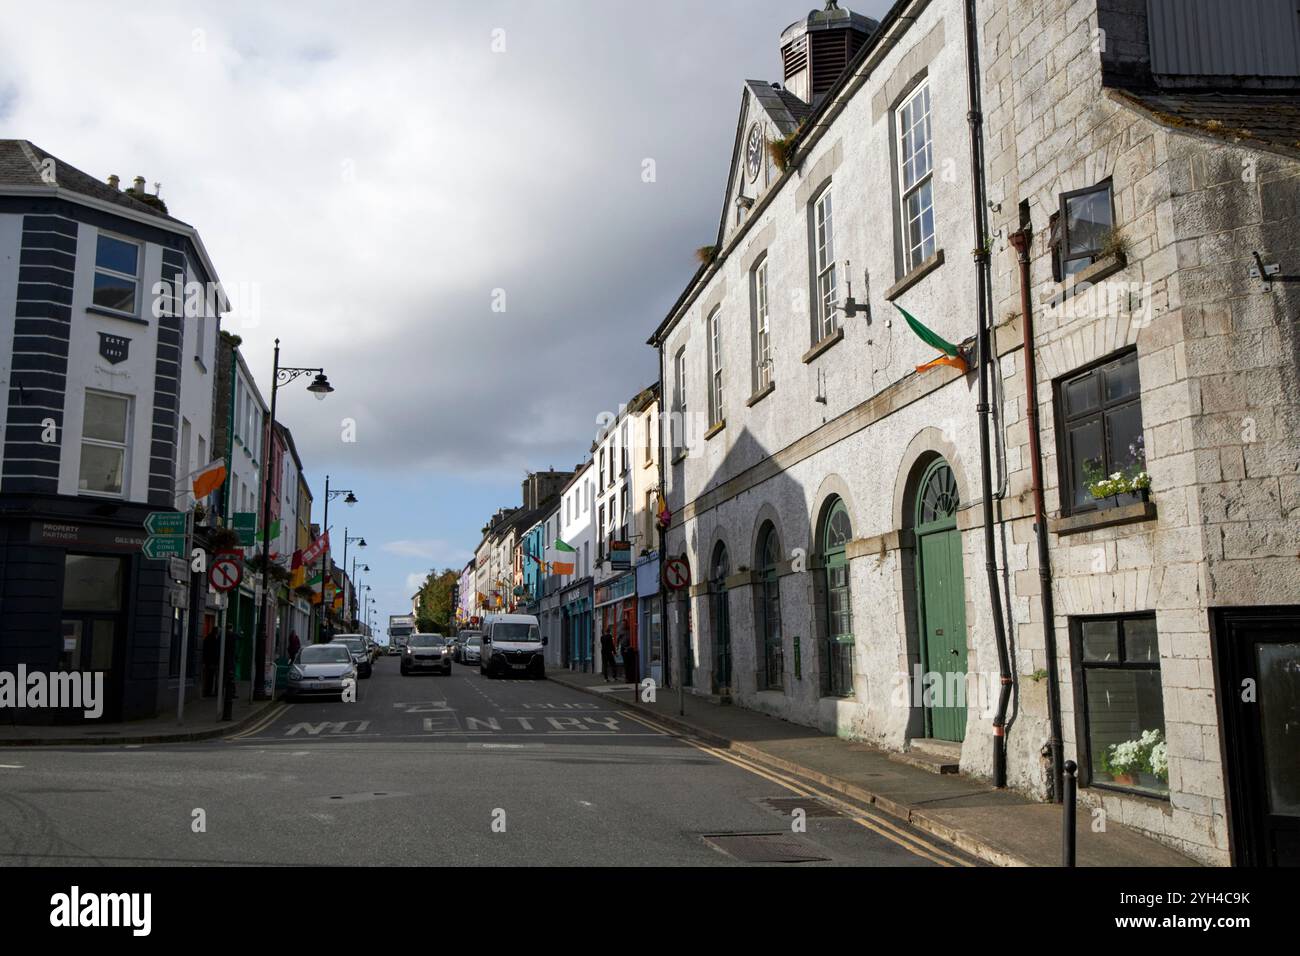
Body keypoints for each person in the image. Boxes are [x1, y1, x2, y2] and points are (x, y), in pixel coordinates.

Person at [202, 625, 219, 697]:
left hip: (209, 661)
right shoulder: (213, 639)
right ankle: (208, 692)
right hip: (211, 661)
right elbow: (212, 651)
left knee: (210, 677)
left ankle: (208, 691)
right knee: (210, 677)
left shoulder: (208, 637)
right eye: (217, 631)